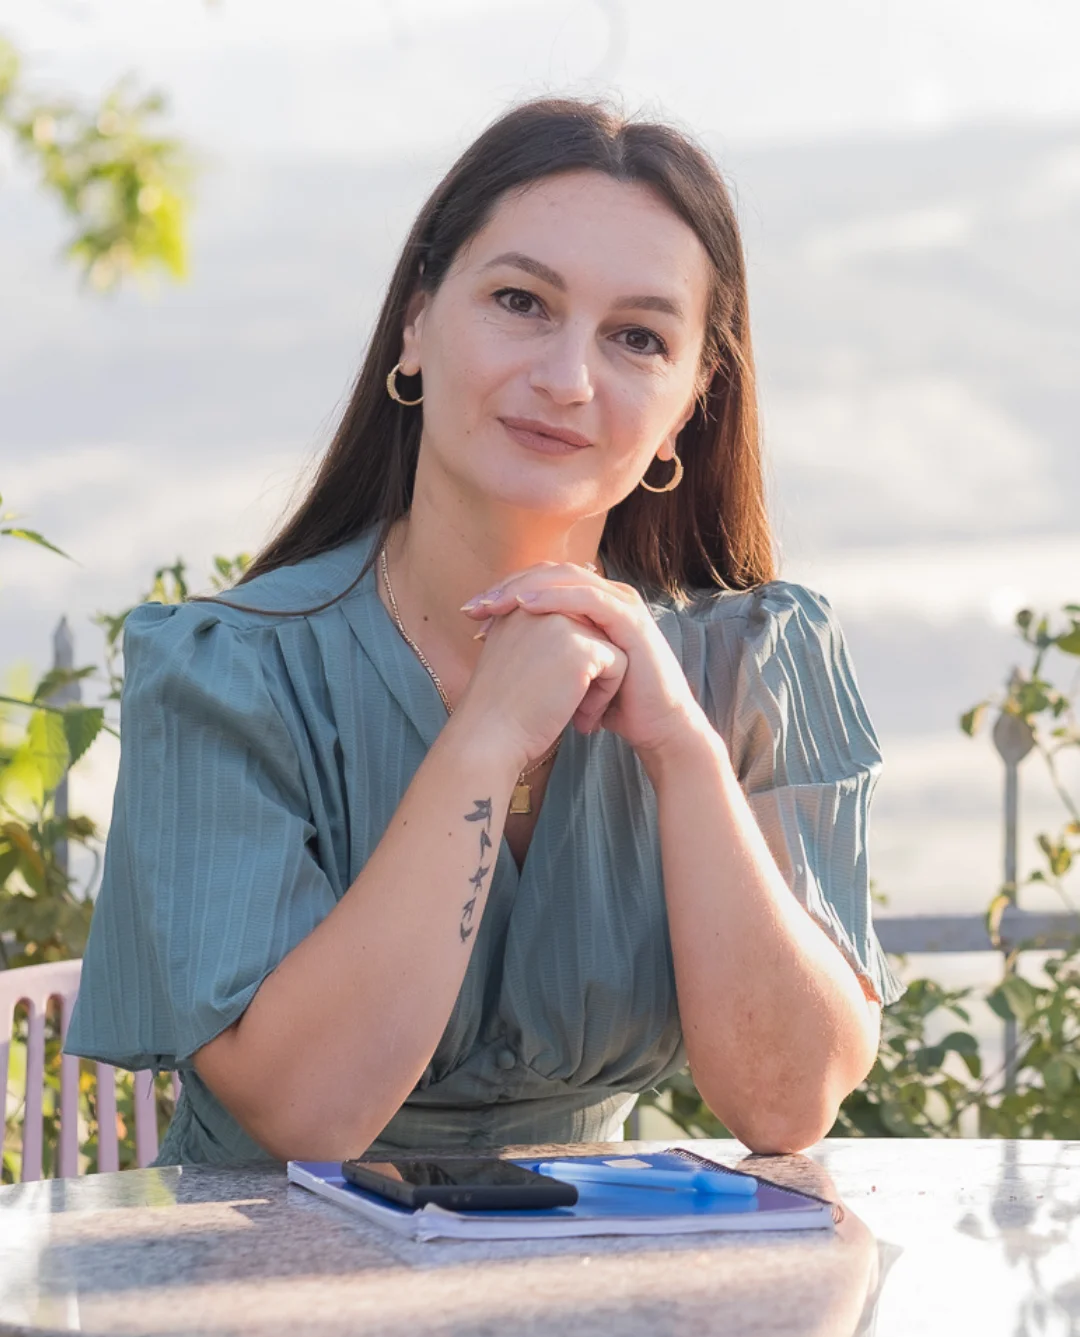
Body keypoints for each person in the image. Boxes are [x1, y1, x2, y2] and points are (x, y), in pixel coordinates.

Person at [66, 96, 905, 1167]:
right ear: (416, 322)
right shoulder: (233, 674)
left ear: (692, 400)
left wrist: (682, 748)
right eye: (520, 301)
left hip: (599, 1263)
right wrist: (487, 737)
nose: (567, 379)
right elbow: (304, 1116)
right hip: (263, 1256)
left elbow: (787, 1104)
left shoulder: (753, 663)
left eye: (638, 337)